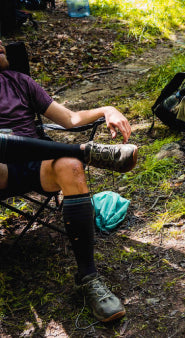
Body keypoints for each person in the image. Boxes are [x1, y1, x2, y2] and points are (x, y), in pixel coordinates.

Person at [0, 39, 138, 323]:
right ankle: (86, 152)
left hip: (35, 165)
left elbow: (70, 118)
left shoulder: (18, 82)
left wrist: (106, 109)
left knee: (71, 166)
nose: (0, 44)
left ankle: (88, 278)